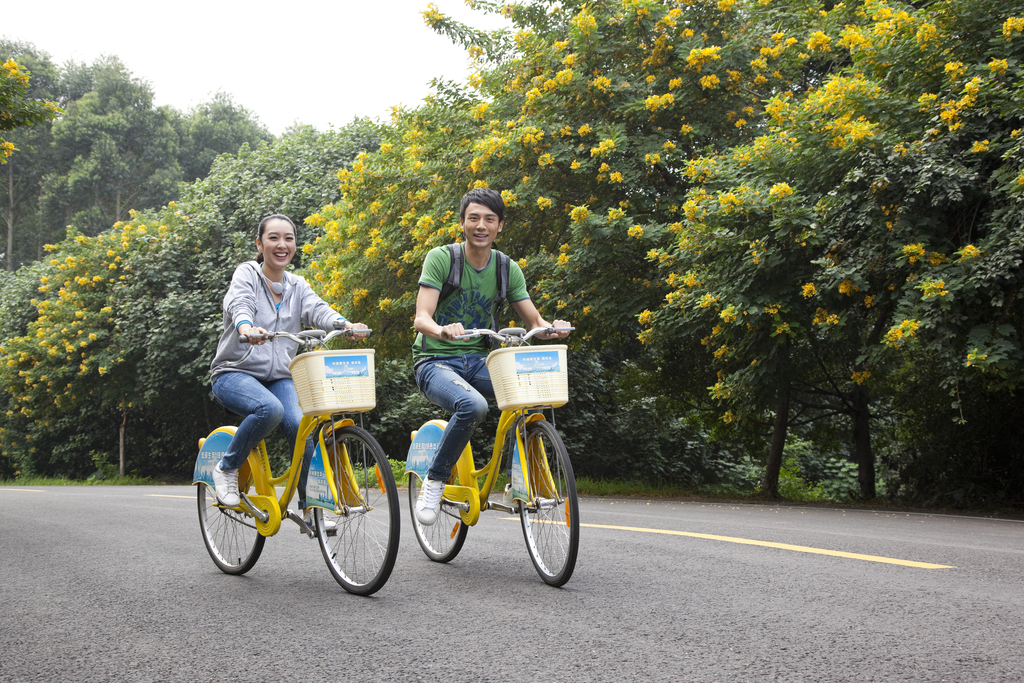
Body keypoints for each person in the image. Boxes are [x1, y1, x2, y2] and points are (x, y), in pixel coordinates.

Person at [412, 188, 571, 525]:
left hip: (480, 361)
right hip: (435, 362)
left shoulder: (505, 268)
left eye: (489, 219)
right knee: (473, 406)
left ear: (500, 226)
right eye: (474, 218)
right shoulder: (442, 258)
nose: (480, 225)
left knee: (529, 395)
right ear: (462, 223)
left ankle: (519, 477)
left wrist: (552, 329)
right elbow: (421, 318)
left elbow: (535, 323)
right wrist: (442, 330)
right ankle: (435, 479)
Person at [208, 213, 368, 529]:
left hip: (279, 376)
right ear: (260, 243)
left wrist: (344, 325)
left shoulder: (297, 285)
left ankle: (311, 506)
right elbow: (238, 304)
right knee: (270, 410)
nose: (282, 245)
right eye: (274, 238)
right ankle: (226, 468)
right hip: (234, 372)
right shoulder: (247, 275)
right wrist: (246, 327)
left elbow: (318, 309)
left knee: (302, 424)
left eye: (289, 238)